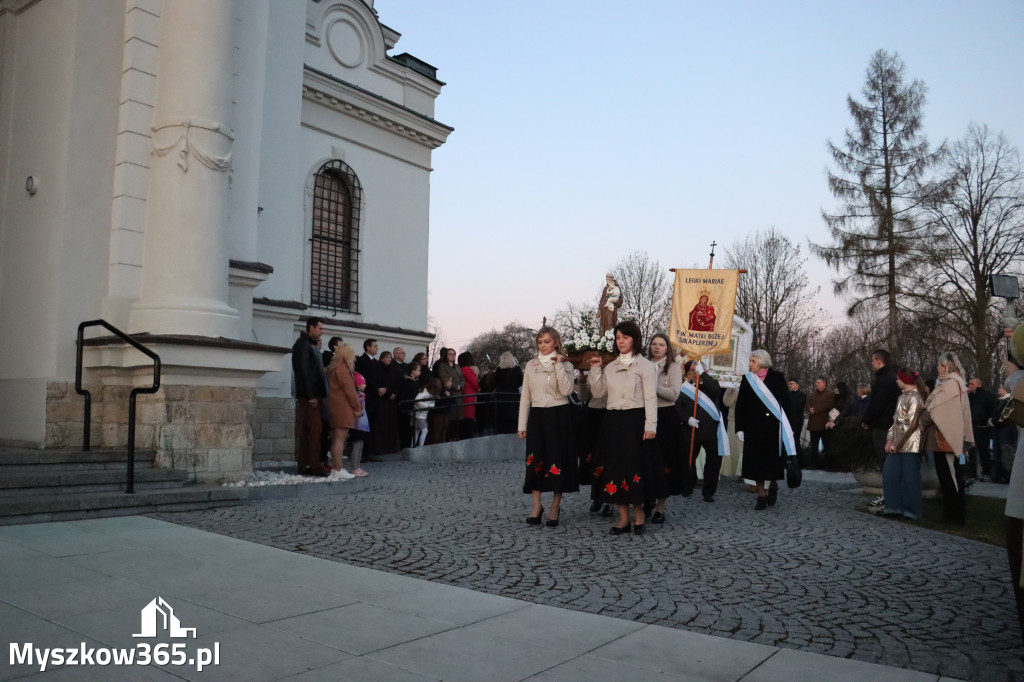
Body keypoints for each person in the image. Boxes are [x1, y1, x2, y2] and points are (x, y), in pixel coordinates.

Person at [588, 320, 658, 535]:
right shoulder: (611, 367)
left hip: (635, 421)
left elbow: (650, 397)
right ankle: (623, 518)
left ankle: (639, 515)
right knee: (615, 470)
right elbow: (599, 393)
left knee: (633, 469)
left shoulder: (645, 366)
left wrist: (651, 425)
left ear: (634, 339)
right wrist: (595, 369)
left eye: (625, 337)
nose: (621, 341)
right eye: (618, 338)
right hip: (613, 422)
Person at [518, 326, 579, 527]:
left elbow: (567, 390)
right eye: (540, 342)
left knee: (557, 459)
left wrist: (559, 366)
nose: (543, 345)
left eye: (547, 341)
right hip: (537, 415)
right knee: (536, 460)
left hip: (559, 415)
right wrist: (522, 423)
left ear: (555, 342)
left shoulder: (566, 364)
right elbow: (525, 395)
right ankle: (536, 506)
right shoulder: (531, 365)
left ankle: (555, 506)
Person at [735, 349, 794, 510]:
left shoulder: (777, 377)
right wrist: (739, 428)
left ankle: (773, 485)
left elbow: (786, 402)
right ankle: (761, 495)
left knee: (771, 461)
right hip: (753, 427)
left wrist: (790, 427)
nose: (750, 364)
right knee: (756, 461)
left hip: (773, 427)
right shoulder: (747, 379)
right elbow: (741, 405)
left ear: (761, 361)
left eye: (753, 361)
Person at [920, 351, 974, 524]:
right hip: (947, 437)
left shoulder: (951, 384)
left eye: (939, 365)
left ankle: (954, 515)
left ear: (946, 366)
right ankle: (953, 512)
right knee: (949, 475)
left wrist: (923, 420)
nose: (937, 367)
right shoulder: (955, 383)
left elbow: (935, 409)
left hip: (947, 437)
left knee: (950, 476)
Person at [675, 359, 726, 504]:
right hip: (691, 430)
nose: (694, 374)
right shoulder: (684, 389)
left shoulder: (711, 385)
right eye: (692, 371)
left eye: (697, 370)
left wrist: (702, 374)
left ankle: (709, 491)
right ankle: (688, 484)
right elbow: (677, 407)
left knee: (713, 462)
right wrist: (687, 419)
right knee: (688, 460)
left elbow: (716, 391)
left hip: (711, 431)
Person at [882, 368, 929, 519]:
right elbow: (895, 421)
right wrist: (890, 439)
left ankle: (912, 510)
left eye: (899, 378)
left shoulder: (915, 397)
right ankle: (893, 507)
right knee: (890, 474)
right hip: (897, 442)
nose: (897, 381)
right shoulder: (902, 397)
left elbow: (911, 424)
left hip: (911, 443)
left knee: (910, 477)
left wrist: (897, 444)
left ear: (906, 380)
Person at [292, 317, 329, 477]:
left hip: (315, 395)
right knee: (316, 429)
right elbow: (303, 372)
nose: (322, 332)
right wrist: (311, 395)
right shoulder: (303, 345)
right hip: (310, 396)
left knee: (309, 430)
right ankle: (314, 465)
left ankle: (305, 464)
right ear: (311, 328)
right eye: (320, 328)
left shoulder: (311, 345)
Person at [646, 334, 677, 522]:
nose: (656, 347)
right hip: (645, 415)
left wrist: (653, 385)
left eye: (661, 344)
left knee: (663, 461)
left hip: (665, 416)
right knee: (646, 460)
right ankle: (647, 498)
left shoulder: (672, 367)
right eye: (654, 344)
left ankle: (660, 506)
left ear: (667, 348)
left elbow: (674, 394)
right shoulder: (643, 364)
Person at [861, 349, 901, 472]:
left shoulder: (883, 379)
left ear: (879, 361)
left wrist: (866, 420)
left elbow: (877, 403)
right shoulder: (892, 377)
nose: (871, 363)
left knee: (885, 458)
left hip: (882, 424)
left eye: (873, 360)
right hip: (889, 423)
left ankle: (890, 486)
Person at [576, 365, 608, 514]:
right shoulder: (591, 370)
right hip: (593, 415)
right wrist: (582, 383)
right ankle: (598, 495)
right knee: (594, 457)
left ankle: (609, 498)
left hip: (610, 413)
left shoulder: (615, 368)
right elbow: (583, 397)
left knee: (608, 456)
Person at [325, 343, 359, 480]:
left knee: (336, 439)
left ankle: (335, 469)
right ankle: (337, 469)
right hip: (343, 407)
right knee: (340, 439)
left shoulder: (334, 368)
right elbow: (350, 391)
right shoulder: (342, 369)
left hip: (335, 406)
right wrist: (357, 407)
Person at [354, 339, 386, 455]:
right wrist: (376, 388)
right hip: (367, 397)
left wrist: (384, 387)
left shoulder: (377, 363)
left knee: (374, 425)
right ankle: (363, 453)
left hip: (377, 398)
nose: (377, 348)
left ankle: (372, 451)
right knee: (364, 426)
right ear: (368, 347)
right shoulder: (361, 361)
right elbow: (362, 379)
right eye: (375, 346)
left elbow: (381, 378)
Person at [968, 378, 999, 481]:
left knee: (983, 451)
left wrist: (991, 418)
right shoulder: (968, 396)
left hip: (983, 428)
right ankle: (970, 472)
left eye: (972, 384)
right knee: (969, 451)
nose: (969, 386)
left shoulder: (988, 395)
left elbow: (996, 406)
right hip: (970, 427)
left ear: (978, 385)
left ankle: (986, 472)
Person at [372, 351, 401, 455]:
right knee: (381, 425)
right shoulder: (378, 369)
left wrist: (394, 393)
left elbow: (396, 383)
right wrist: (387, 393)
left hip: (391, 402)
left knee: (391, 425)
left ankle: (390, 448)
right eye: (387, 357)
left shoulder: (393, 370)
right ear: (382, 359)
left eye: (390, 357)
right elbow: (377, 383)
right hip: (382, 401)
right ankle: (380, 449)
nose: (389, 359)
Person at [805, 377, 836, 469]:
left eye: (818, 382)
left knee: (827, 445)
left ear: (824, 383)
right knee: (813, 446)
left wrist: (816, 409)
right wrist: (809, 409)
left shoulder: (830, 394)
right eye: (816, 382)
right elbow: (808, 404)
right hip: (813, 423)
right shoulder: (813, 394)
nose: (816, 384)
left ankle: (828, 464)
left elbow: (828, 405)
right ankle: (814, 464)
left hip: (824, 423)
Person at [436, 348, 465, 441]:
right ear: (446, 355)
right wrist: (454, 386)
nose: (452, 356)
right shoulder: (443, 366)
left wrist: (460, 386)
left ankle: (457, 437)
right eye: (450, 354)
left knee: (458, 418)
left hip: (459, 393)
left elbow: (462, 379)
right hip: (450, 393)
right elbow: (444, 379)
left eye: (454, 354)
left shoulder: (458, 366)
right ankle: (449, 438)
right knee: (450, 418)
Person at [494, 352, 523, 434]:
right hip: (513, 395)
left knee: (502, 417)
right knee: (513, 416)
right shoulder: (517, 369)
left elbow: (495, 383)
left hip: (501, 396)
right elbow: (520, 383)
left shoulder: (499, 369)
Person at [348, 372, 371, 476]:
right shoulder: (354, 396)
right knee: (356, 446)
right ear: (357, 384)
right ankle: (354, 467)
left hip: (362, 424)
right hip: (356, 425)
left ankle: (358, 466)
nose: (365, 385)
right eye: (363, 383)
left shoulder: (361, 395)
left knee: (360, 445)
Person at [397, 362, 422, 448]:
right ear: (413, 371)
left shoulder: (411, 382)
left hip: (409, 409)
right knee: (407, 430)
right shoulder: (409, 382)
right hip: (408, 410)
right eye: (418, 370)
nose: (420, 372)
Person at [785, 380, 807, 467]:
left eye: (791, 384)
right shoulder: (787, 394)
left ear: (797, 385)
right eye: (788, 384)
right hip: (788, 421)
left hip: (796, 421)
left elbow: (798, 406)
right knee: (787, 442)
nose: (789, 385)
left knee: (795, 441)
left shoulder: (801, 395)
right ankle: (788, 461)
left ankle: (799, 462)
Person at [459, 351, 480, 438]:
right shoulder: (467, 369)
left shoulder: (460, 369)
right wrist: (478, 389)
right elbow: (473, 381)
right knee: (469, 416)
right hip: (469, 394)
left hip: (463, 394)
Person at [412, 379, 436, 446]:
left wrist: (429, 406)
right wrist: (426, 406)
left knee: (417, 431)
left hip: (421, 414)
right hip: (420, 414)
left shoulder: (430, 393)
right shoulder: (425, 392)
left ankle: (413, 446)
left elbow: (432, 403)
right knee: (424, 431)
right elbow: (417, 400)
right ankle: (420, 447)